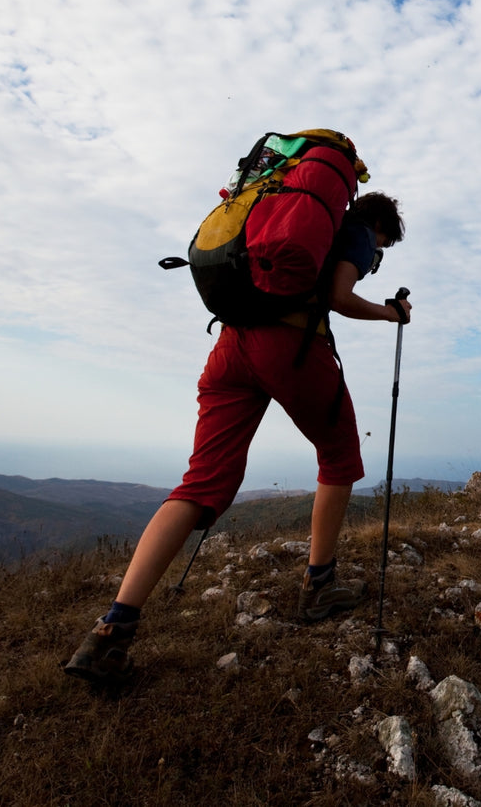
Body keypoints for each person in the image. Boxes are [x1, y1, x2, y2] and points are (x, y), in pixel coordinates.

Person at [64, 191, 411, 682]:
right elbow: (338, 296)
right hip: (290, 346)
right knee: (339, 457)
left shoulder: (282, 214)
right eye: (383, 245)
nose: (377, 254)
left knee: (201, 482)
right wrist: (390, 312)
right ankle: (319, 586)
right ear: (377, 224)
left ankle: (112, 628)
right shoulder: (352, 228)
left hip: (231, 343)